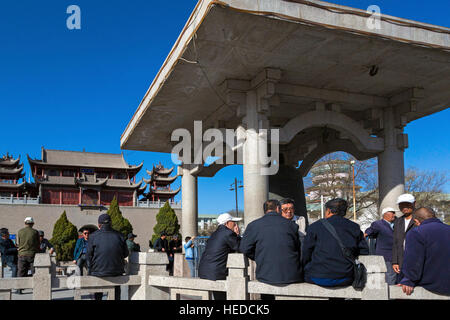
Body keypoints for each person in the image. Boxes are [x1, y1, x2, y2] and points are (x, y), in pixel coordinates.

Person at [240, 199, 303, 299]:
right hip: (291, 274)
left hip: (266, 274)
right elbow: (298, 248)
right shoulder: (292, 225)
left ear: (264, 210)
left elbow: (244, 248)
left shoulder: (254, 225)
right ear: (278, 208)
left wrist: (259, 256)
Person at [302, 198, 369, 287]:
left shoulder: (315, 227)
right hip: (346, 277)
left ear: (329, 211)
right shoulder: (354, 227)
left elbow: (306, 252)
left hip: (318, 276)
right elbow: (364, 251)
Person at [399, 207, 450, 296]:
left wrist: (408, 279)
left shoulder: (417, 232)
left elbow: (413, 260)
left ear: (416, 221)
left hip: (433, 286)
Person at [198, 212, 241, 300]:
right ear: (227, 223)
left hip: (204, 271)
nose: (235, 224)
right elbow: (239, 247)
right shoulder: (228, 233)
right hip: (216, 273)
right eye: (233, 222)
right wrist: (237, 235)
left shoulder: (215, 234)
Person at [86, 214, 129, 300]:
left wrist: (90, 270)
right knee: (116, 289)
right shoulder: (120, 235)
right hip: (116, 271)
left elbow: (89, 255)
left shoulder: (93, 236)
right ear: (111, 223)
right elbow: (125, 254)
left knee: (98, 291)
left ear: (99, 225)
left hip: (98, 271)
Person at [364, 207, 397, 285]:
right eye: (392, 212)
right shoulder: (378, 224)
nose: (394, 215)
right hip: (386, 255)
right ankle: (389, 294)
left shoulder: (397, 223)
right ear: (385, 214)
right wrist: (365, 234)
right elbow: (370, 230)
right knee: (390, 276)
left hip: (397, 255)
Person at [392, 193, 416, 283]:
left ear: (414, 204)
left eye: (407, 204)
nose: (404, 207)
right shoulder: (398, 221)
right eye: (401, 205)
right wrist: (395, 261)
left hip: (417, 262)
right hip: (402, 263)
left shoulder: (419, 219)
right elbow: (395, 243)